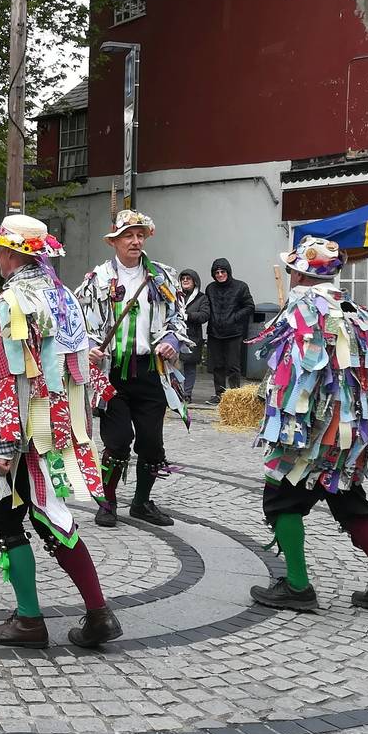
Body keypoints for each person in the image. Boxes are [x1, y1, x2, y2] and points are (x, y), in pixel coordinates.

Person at [0, 216, 121, 649]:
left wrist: (3, 444)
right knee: (46, 512)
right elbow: (81, 366)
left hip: (25, 432)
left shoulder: (10, 302)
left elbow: (7, 377)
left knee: (12, 517)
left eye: (0, 250)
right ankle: (96, 614)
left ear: (11, 254)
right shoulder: (65, 296)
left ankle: (32, 621)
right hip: (58, 427)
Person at [247, 237, 368, 613]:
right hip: (350, 431)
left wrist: (276, 410)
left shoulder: (301, 310)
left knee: (281, 497)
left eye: (292, 270)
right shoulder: (355, 310)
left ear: (299, 274)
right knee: (349, 500)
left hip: (309, 431)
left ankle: (297, 586)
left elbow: (294, 375)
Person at [76, 209, 189, 529]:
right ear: (114, 241)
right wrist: (90, 346)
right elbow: (81, 324)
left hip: (151, 370)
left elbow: (178, 318)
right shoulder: (97, 280)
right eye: (128, 236)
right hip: (112, 372)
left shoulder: (163, 277)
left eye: (140, 235)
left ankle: (141, 503)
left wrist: (171, 341)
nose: (135, 241)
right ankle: (108, 502)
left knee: (152, 443)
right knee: (118, 440)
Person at [204, 258, 254, 403]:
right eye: (217, 272)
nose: (220, 275)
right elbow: (207, 307)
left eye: (223, 271)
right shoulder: (210, 288)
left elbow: (249, 306)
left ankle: (233, 396)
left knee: (233, 366)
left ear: (228, 272)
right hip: (214, 332)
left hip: (233, 333)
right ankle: (220, 394)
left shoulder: (241, 287)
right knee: (217, 366)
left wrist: (234, 318)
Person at [177, 269, 207, 403]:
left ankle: (187, 394)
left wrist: (188, 316)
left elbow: (204, 315)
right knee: (175, 366)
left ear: (195, 281)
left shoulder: (202, 298)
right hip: (176, 335)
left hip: (192, 336)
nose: (185, 280)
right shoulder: (175, 294)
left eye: (188, 278)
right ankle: (176, 393)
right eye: (183, 278)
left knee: (190, 367)